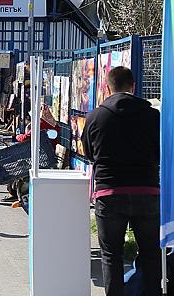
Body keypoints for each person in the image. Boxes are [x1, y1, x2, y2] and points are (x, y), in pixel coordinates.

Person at [82, 66, 161, 296]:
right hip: (147, 191)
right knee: (150, 253)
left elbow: (88, 153)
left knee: (111, 255)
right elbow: (161, 150)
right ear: (133, 87)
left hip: (110, 193)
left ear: (108, 87)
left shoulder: (95, 116)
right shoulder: (152, 115)